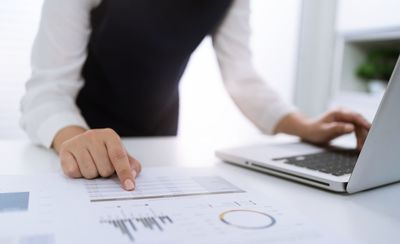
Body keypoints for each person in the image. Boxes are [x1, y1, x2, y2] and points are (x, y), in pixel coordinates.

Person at [21, 0, 370, 191]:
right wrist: (73, 138)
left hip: (159, 136)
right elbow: (46, 91)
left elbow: (241, 77)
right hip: (79, 132)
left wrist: (304, 126)